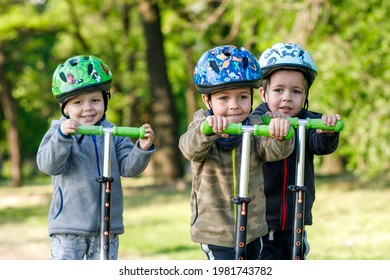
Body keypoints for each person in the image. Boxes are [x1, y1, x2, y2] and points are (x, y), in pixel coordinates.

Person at [179, 45, 295, 260]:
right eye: (224, 98)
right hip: (216, 231)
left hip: (253, 228)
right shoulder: (201, 124)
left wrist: (282, 135)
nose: (234, 106)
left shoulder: (256, 124)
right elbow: (189, 148)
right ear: (207, 100)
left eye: (242, 97)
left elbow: (273, 152)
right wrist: (207, 131)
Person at [36, 55, 155, 260]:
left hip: (106, 228)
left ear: (105, 100)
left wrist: (142, 148)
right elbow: (48, 165)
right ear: (64, 107)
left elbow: (129, 168)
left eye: (95, 100)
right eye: (78, 102)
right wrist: (62, 138)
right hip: (68, 227)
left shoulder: (113, 132)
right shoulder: (59, 131)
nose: (88, 108)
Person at [252, 42, 341, 260]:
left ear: (305, 95)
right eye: (278, 90)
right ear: (264, 93)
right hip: (262, 217)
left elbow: (320, 146)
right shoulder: (256, 121)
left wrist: (326, 131)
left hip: (295, 214)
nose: (287, 97)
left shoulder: (308, 121)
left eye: (296, 91)